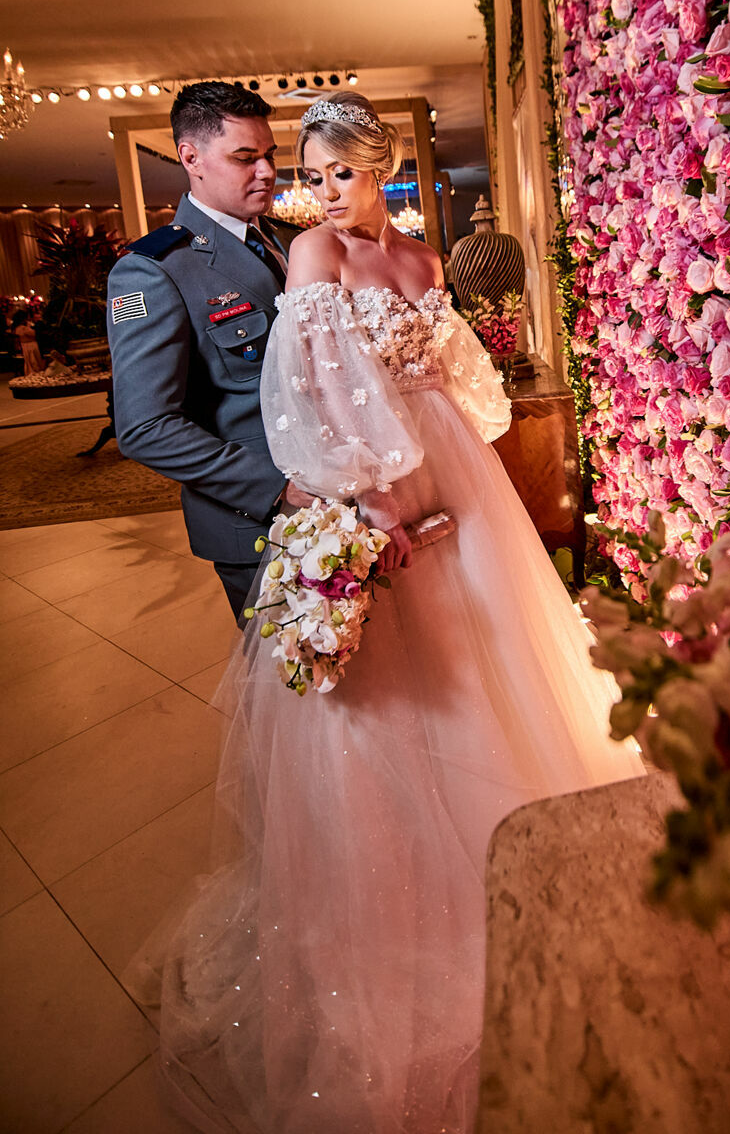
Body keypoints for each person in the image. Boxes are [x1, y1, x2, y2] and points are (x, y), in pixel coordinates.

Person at [149, 92, 644, 1134]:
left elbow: (474, 388)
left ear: (382, 171)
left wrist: (448, 448)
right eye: (309, 177)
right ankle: (394, 905)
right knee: (387, 700)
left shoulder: (420, 262)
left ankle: (510, 870)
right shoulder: (314, 260)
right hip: (379, 483)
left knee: (492, 663)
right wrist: (372, 490)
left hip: (453, 479)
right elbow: (311, 391)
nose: (323, 196)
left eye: (342, 175)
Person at [107, 81, 307, 620]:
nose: (267, 172)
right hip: (260, 520)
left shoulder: (292, 242)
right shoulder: (151, 271)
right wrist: (279, 490)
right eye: (245, 158)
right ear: (190, 157)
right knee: (298, 691)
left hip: (337, 493)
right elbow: (145, 428)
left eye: (268, 156)